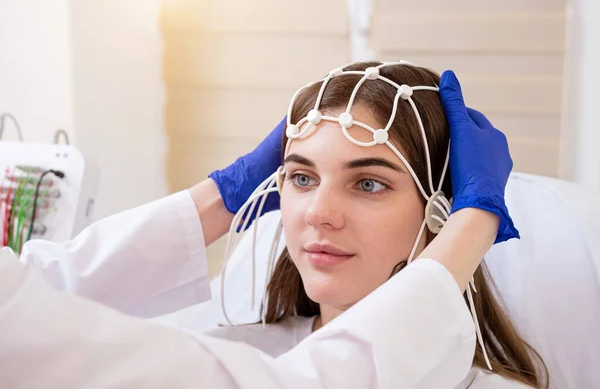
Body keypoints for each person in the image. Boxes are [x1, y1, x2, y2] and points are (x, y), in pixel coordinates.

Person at [0, 67, 518, 388]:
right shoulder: (224, 353)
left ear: (439, 211)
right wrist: (474, 228)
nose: (317, 212)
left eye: (367, 185)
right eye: (300, 176)